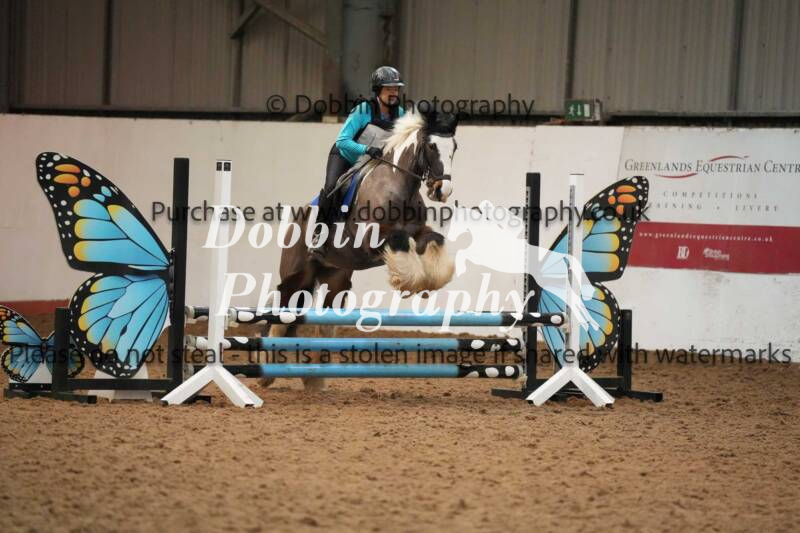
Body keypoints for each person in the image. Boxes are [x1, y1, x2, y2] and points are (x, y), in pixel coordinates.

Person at [312, 66, 406, 255]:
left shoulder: (401, 114)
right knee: (332, 187)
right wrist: (366, 149)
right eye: (389, 89)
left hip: (373, 162)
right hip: (345, 156)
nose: (394, 93)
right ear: (378, 90)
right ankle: (319, 235)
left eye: (396, 89)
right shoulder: (363, 110)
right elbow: (342, 140)